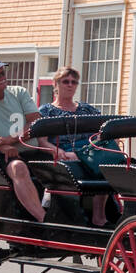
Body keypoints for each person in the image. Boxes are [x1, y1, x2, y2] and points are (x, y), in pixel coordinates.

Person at [0, 55, 71, 222]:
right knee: (18, 167)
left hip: (30, 150)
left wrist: (7, 141)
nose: (3, 78)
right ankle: (43, 220)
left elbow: (36, 121)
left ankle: (73, 216)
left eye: (3, 73)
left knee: (65, 165)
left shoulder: (19, 93)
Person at [38, 66, 109, 227]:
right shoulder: (46, 111)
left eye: (74, 82)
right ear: (56, 84)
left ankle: (99, 217)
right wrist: (58, 152)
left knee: (108, 166)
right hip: (64, 154)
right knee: (74, 166)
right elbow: (42, 141)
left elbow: (100, 132)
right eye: (65, 81)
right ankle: (71, 218)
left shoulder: (87, 109)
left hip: (89, 152)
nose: (70, 85)